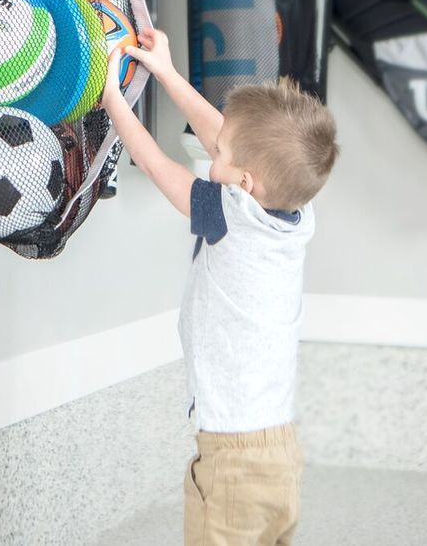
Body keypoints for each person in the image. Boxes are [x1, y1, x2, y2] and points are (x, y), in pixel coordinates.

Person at [101, 29, 339, 546]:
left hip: (233, 459)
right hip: (280, 450)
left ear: (245, 184)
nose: (213, 152)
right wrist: (165, 71)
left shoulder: (232, 216)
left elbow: (156, 164)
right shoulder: (295, 214)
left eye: (222, 155)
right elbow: (225, 136)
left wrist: (113, 101)